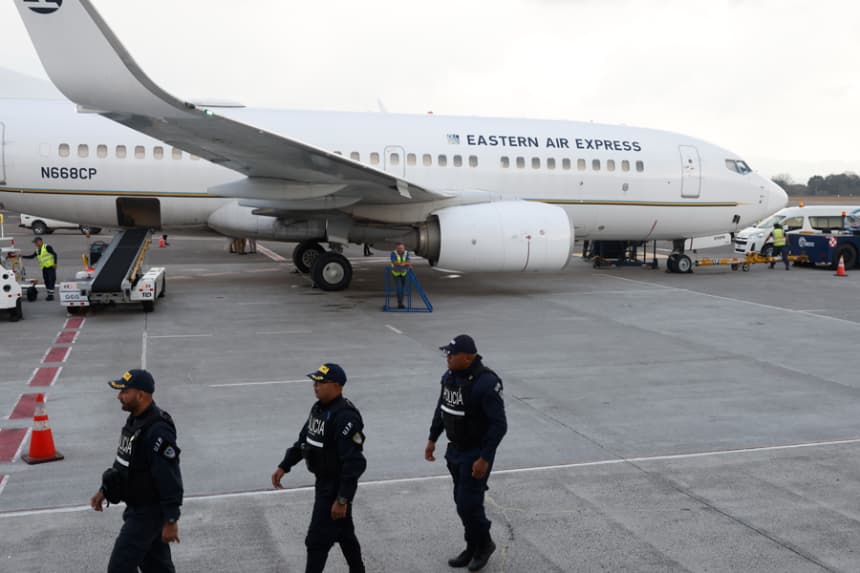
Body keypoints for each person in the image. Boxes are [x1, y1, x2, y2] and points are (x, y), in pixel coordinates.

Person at [272, 363, 367, 573]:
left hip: (334, 487)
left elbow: (354, 463)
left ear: (336, 385)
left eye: (320, 383)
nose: (315, 386)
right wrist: (284, 465)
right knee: (344, 532)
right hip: (322, 481)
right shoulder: (319, 409)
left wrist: (342, 499)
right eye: (314, 382)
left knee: (316, 541)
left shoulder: (345, 417)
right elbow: (304, 442)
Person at [425, 335, 507, 572]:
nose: (447, 357)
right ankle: (472, 546)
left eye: (452, 354)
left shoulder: (486, 383)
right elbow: (442, 409)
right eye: (447, 353)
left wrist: (485, 457)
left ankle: (485, 544)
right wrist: (432, 439)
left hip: (476, 453)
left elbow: (499, 425)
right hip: (455, 450)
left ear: (469, 357)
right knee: (461, 502)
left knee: (468, 504)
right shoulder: (450, 378)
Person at [91, 369, 183, 573]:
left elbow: (170, 477)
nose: (119, 396)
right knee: (157, 568)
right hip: (137, 508)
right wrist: (104, 490)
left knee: (119, 567)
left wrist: (171, 519)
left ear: (141, 395)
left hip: (147, 513)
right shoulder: (135, 421)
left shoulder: (158, 429)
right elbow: (124, 462)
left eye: (124, 391)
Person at [389, 242, 412, 309]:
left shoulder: (406, 253)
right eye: (399, 248)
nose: (400, 249)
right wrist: (403, 264)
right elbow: (394, 262)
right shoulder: (393, 253)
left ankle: (401, 302)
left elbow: (409, 261)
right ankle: (400, 303)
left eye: (401, 248)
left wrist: (405, 264)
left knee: (402, 288)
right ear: (396, 248)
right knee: (399, 288)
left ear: (404, 248)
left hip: (404, 273)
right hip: (396, 274)